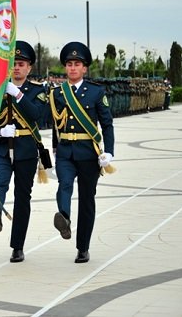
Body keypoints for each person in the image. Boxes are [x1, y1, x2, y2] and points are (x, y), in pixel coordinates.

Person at [0, 40, 49, 263]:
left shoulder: (38, 91)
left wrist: (18, 95)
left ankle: (17, 246)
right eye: (14, 64)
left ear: (29, 67)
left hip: (26, 152)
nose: (17, 68)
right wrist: (1, 132)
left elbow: (37, 115)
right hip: (2, 148)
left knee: (23, 198)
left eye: (22, 64)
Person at [50, 41, 115, 263]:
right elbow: (55, 125)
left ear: (84, 68)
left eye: (77, 64)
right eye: (69, 64)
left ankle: (83, 247)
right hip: (66, 151)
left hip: (89, 153)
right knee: (64, 185)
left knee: (87, 200)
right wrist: (53, 150)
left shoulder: (96, 92)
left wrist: (110, 152)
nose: (72, 68)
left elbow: (107, 124)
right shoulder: (57, 93)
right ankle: (64, 218)